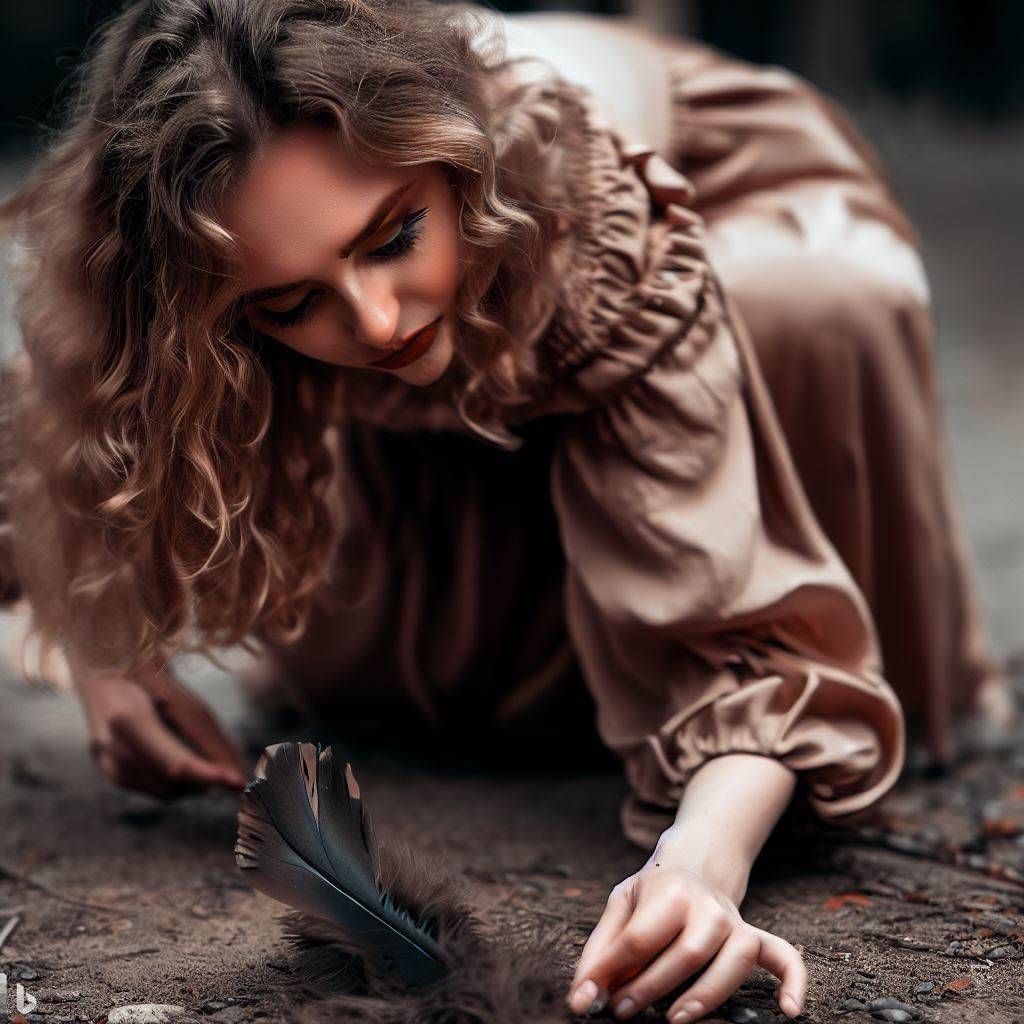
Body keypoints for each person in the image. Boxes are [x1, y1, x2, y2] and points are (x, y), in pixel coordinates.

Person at [0, 2, 1014, 1021]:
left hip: (712, 212)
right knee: (371, 669)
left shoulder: (591, 221)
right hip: (481, 289)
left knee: (798, 299)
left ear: (450, 171)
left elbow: (749, 642)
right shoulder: (189, 211)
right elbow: (70, 433)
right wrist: (103, 654)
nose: (377, 321)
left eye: (392, 234)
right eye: (290, 301)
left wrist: (699, 865)